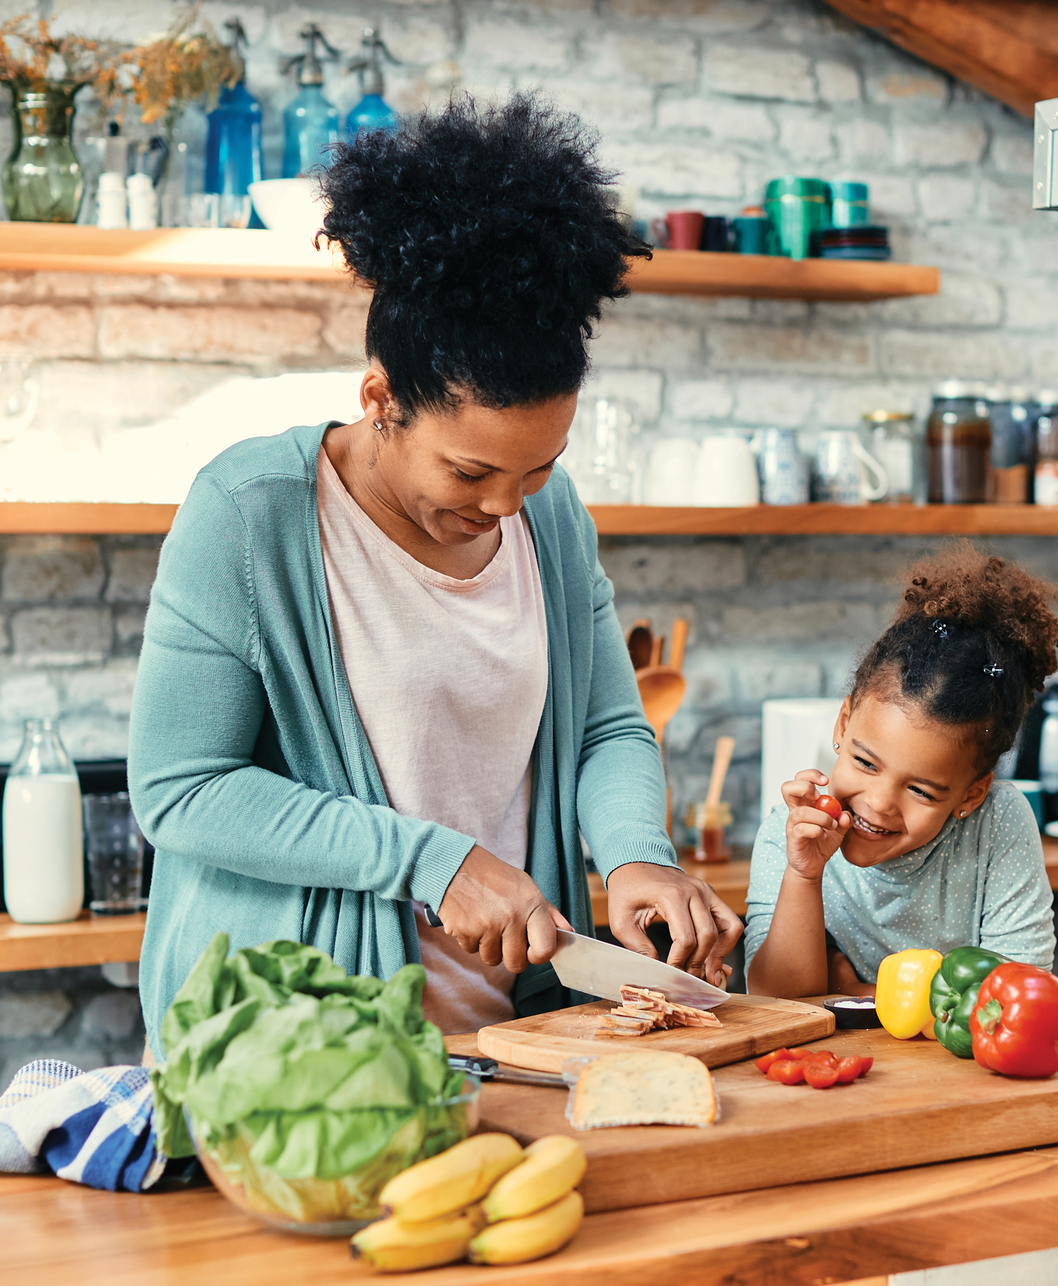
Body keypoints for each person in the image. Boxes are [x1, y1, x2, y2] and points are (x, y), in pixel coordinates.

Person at [130, 95, 742, 1053]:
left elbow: (609, 726)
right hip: (300, 1045)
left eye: (536, 466)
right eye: (469, 470)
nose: (506, 505)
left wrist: (633, 858)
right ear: (381, 398)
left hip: (522, 1041)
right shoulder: (252, 515)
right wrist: (433, 861)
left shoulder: (552, 515)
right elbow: (184, 788)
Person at [745, 542, 1058, 999]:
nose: (878, 803)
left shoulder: (996, 823)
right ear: (842, 723)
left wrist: (863, 992)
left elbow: (1022, 996)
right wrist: (803, 876)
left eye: (922, 791)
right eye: (865, 762)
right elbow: (776, 1002)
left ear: (971, 795)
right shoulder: (789, 835)